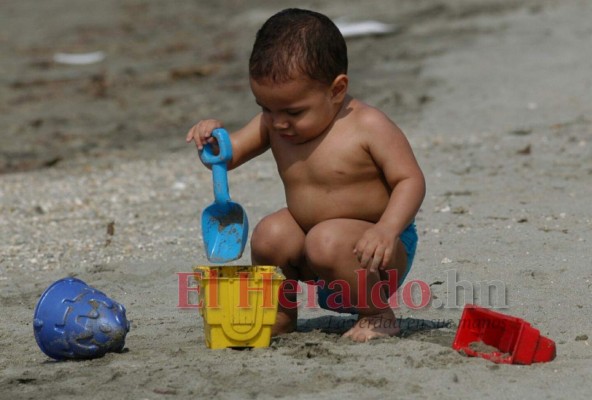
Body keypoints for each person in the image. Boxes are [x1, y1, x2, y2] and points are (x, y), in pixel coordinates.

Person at [186, 8, 425, 342]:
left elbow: (410, 180)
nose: (278, 122)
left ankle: (378, 314)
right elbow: (227, 155)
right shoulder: (276, 124)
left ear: (336, 90)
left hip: (377, 251)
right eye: (265, 107)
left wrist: (387, 229)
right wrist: (212, 139)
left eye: (294, 111)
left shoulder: (367, 126)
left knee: (324, 239)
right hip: (315, 244)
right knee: (269, 234)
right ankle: (282, 314)